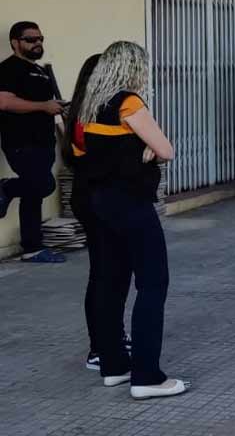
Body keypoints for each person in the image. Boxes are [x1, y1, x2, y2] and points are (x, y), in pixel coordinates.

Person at [81, 41, 186, 399]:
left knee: (111, 283)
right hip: (131, 203)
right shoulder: (128, 102)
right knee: (153, 283)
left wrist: (135, 151)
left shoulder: (90, 105)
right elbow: (166, 150)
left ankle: (114, 366)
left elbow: (83, 153)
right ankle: (147, 376)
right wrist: (144, 152)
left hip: (100, 203)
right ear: (133, 68)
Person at [61, 53, 131, 371]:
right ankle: (100, 346)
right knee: (104, 273)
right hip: (97, 199)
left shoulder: (85, 110)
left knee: (112, 271)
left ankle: (112, 336)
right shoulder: (92, 115)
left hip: (98, 197)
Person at [0, 21, 66, 263]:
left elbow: (47, 107)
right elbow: (4, 102)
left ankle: (32, 248)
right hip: (20, 141)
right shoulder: (8, 69)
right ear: (15, 43)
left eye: (40, 38)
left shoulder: (39, 71)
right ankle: (7, 188)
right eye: (30, 39)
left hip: (43, 141)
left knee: (34, 193)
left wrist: (59, 109)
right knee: (42, 185)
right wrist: (43, 106)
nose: (37, 43)